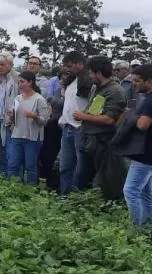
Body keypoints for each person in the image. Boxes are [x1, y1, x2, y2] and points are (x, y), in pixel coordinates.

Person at [73, 56, 127, 201]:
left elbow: (109, 119)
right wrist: (85, 114)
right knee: (83, 175)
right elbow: (94, 111)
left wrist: (83, 117)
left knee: (105, 179)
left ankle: (102, 210)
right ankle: (83, 204)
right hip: (89, 140)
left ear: (98, 72)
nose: (90, 76)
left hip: (103, 143)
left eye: (91, 73)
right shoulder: (96, 88)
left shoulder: (115, 91)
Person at [120, 64, 152, 230]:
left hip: (145, 152)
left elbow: (142, 125)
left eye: (137, 80)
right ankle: (148, 227)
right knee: (146, 193)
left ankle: (137, 231)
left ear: (148, 81)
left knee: (130, 191)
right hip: (147, 150)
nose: (134, 84)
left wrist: (131, 116)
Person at [57, 51, 93, 195]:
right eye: (66, 66)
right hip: (67, 127)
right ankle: (64, 195)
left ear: (80, 64)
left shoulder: (88, 81)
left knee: (80, 166)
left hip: (80, 128)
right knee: (65, 165)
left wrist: (85, 117)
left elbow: (95, 103)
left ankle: (77, 197)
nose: (68, 69)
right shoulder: (71, 81)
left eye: (70, 66)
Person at [6, 71, 50, 185]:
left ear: (30, 82)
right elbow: (14, 121)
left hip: (32, 138)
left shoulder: (39, 99)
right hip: (17, 135)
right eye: (19, 82)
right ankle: (13, 187)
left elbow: (44, 121)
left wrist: (34, 116)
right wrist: (12, 116)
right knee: (12, 164)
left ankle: (31, 190)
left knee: (30, 166)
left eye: (22, 82)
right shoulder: (18, 98)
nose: (19, 84)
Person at [0, 53, 19, 175]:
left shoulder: (17, 79)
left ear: (11, 65)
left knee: (10, 153)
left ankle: (12, 179)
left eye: (2, 64)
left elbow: (19, 99)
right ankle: (2, 178)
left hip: (8, 121)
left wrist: (13, 119)